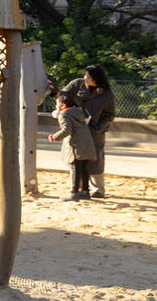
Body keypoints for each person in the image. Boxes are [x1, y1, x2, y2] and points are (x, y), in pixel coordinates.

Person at [59, 65, 116, 198]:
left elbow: (110, 114)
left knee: (95, 160)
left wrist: (97, 128)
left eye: (89, 77)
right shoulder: (76, 84)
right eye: (85, 75)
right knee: (73, 159)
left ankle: (98, 189)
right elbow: (62, 95)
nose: (85, 78)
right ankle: (77, 188)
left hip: (94, 133)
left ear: (97, 79)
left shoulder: (107, 94)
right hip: (74, 130)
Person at [48, 90, 96, 201]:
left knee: (75, 169)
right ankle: (85, 192)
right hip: (86, 143)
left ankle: (74, 193)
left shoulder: (64, 114)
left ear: (63, 105)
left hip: (76, 145)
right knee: (84, 168)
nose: (56, 106)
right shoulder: (77, 112)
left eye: (57, 103)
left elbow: (66, 130)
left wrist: (54, 137)